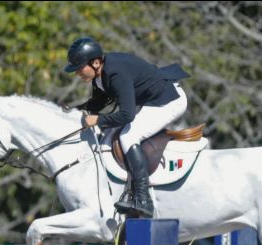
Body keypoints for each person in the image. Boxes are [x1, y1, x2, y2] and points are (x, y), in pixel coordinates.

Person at [64, 37, 189, 218]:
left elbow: (126, 115)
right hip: (154, 100)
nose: (77, 72)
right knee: (114, 133)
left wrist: (97, 120)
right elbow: (98, 102)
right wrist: (74, 111)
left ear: (96, 63)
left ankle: (143, 198)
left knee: (128, 136)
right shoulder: (100, 75)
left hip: (169, 101)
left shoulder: (115, 74)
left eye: (79, 68)